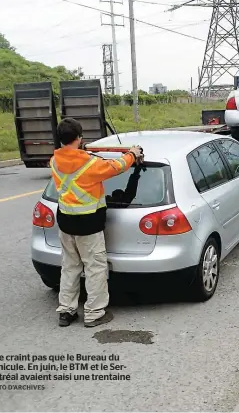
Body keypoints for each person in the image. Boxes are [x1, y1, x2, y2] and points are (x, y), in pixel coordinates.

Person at [50, 117, 143, 328]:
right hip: (88, 225)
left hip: (65, 222)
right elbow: (117, 166)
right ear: (80, 138)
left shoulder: (54, 160)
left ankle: (66, 310)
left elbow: (76, 162)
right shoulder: (90, 164)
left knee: (70, 267)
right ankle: (94, 312)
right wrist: (133, 154)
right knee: (94, 268)